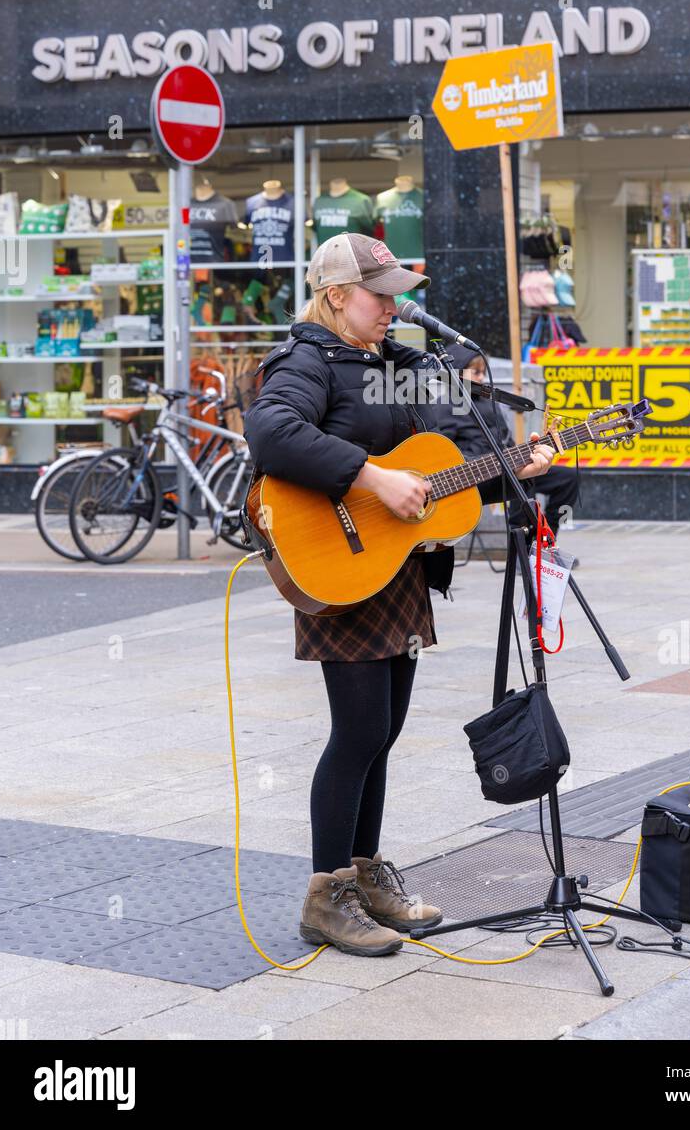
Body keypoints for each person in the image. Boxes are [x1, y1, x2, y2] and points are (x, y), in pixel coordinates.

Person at [243, 233, 553, 957]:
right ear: (336, 295)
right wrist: (371, 478)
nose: (394, 306)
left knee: (382, 735)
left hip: (395, 571)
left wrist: (513, 468)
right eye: (379, 294)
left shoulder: (396, 366)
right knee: (355, 735)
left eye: (395, 293)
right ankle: (327, 896)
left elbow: (444, 453)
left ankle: (366, 874)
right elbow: (272, 432)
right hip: (339, 569)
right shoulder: (307, 360)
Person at [435, 344, 581, 537]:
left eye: (483, 372)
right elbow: (442, 455)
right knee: (521, 485)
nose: (481, 377)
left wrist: (531, 452)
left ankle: (547, 537)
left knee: (568, 478)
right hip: (480, 478)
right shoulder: (443, 407)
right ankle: (522, 548)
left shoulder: (489, 402)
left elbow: (507, 442)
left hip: (508, 466)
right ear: (457, 372)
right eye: (475, 372)